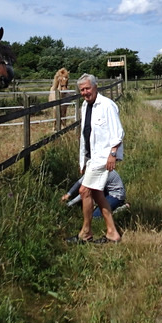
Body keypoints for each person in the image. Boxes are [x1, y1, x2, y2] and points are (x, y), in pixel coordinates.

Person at [66, 73, 124, 244]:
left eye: (87, 88)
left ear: (95, 86)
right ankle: (112, 232)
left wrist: (113, 154)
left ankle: (85, 232)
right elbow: (86, 135)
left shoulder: (107, 105)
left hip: (104, 157)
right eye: (82, 90)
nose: (85, 92)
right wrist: (82, 161)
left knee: (84, 191)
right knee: (98, 194)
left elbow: (118, 132)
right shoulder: (85, 106)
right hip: (92, 157)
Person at [62, 169, 129, 217]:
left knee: (95, 216)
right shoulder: (93, 169)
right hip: (107, 191)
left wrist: (68, 204)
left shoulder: (102, 173)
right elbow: (79, 182)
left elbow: (86, 192)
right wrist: (68, 194)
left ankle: (121, 208)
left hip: (116, 195)